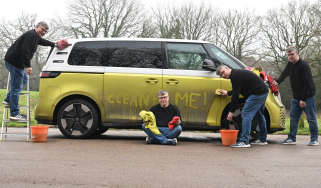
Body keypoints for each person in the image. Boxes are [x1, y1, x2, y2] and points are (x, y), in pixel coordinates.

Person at [3, 21, 65, 121]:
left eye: (45, 31)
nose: (44, 32)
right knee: (16, 88)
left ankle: (8, 100)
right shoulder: (31, 35)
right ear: (37, 27)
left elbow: (43, 41)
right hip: (14, 62)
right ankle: (14, 113)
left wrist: (54, 44)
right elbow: (25, 51)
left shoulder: (35, 36)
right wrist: (28, 66)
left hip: (15, 62)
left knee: (23, 80)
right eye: (42, 29)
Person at [216, 65, 269, 148]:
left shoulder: (235, 76)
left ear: (227, 68)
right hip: (263, 91)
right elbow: (237, 90)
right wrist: (228, 93)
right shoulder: (237, 74)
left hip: (257, 93)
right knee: (259, 115)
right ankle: (262, 139)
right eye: (221, 75)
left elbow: (235, 96)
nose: (223, 75)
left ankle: (244, 141)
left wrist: (231, 112)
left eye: (223, 72)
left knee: (246, 113)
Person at [276, 46, 319, 146]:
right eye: (288, 55)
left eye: (292, 54)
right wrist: (276, 82)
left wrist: (303, 99)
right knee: (293, 118)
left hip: (307, 97)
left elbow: (308, 84)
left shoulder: (304, 65)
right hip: (296, 98)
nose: (290, 57)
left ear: (297, 54)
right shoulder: (290, 64)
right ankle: (291, 138)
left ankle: (314, 139)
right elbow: (284, 74)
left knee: (311, 118)